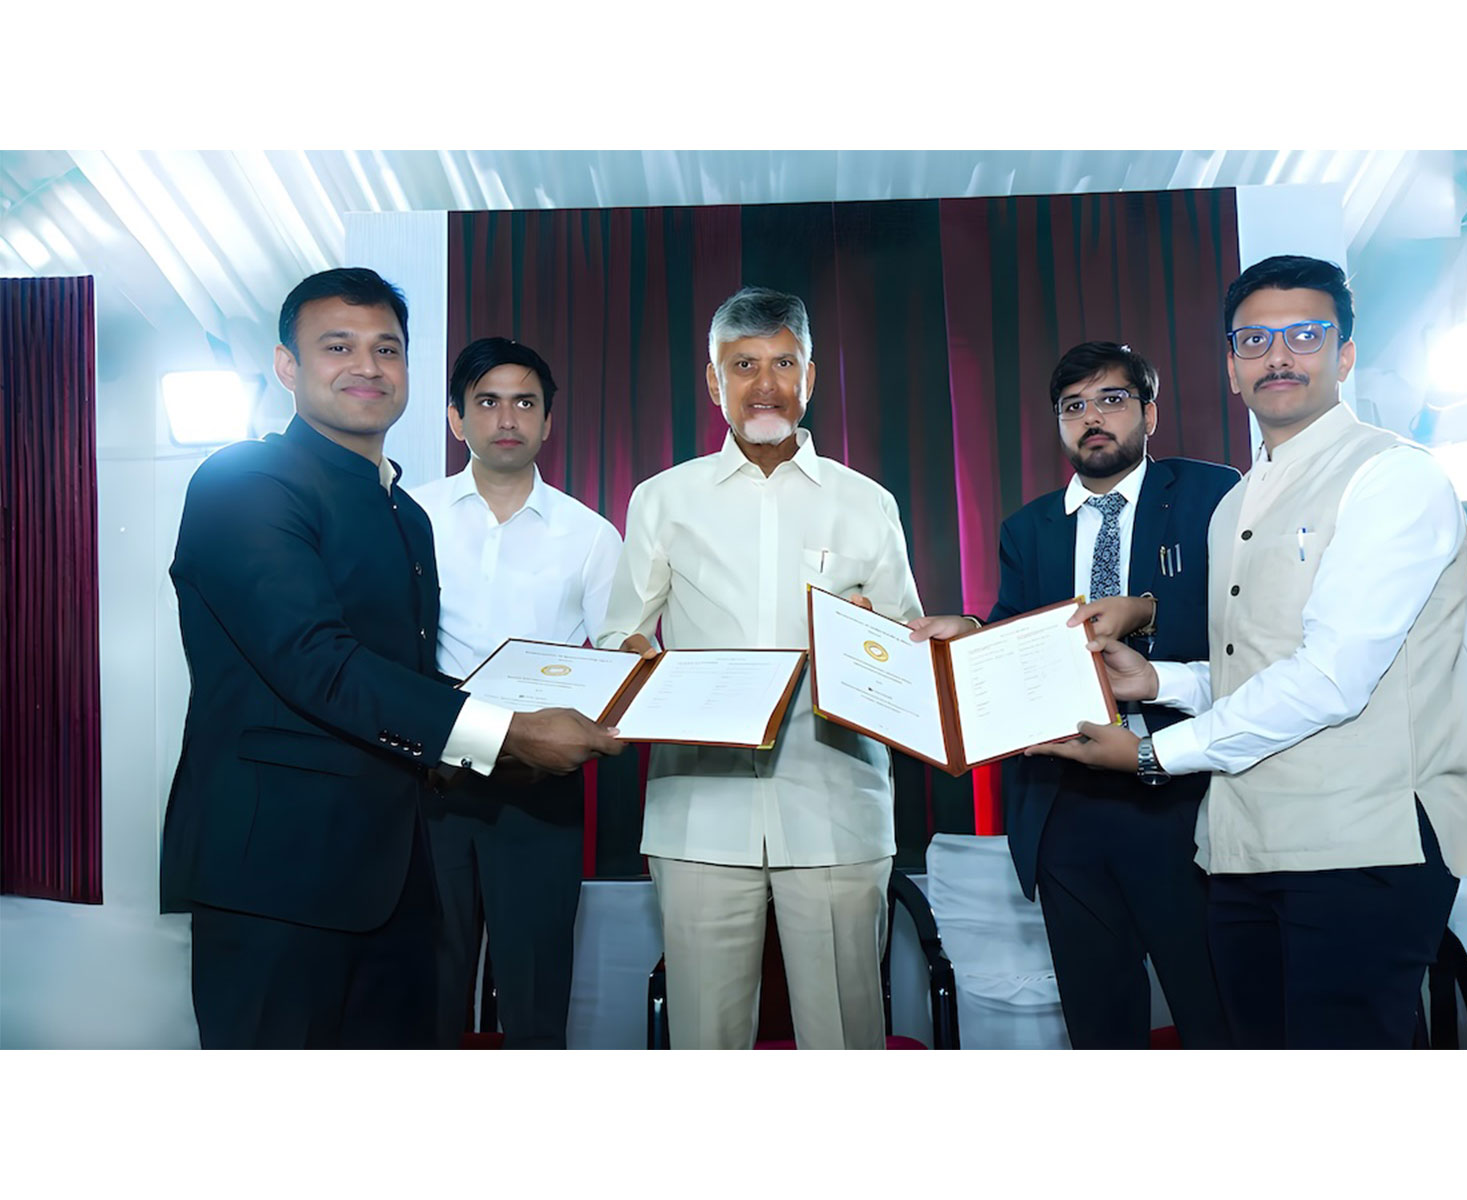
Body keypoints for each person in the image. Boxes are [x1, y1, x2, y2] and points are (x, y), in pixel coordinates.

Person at [161, 268, 622, 1049]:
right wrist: (508, 734)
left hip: (400, 873)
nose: (367, 367)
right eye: (337, 346)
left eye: (387, 349)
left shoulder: (404, 512)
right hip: (278, 873)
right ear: (287, 367)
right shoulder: (243, 482)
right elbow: (318, 663)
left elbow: (402, 676)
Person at [1032, 255, 1467, 1049]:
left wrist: (1148, 756)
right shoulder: (1239, 501)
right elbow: (1258, 668)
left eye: (1305, 335)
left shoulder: (1391, 478)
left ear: (1344, 353)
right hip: (1242, 847)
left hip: (1363, 846)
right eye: (1254, 339)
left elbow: (1334, 679)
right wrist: (1157, 678)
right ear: (1232, 364)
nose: (1279, 356)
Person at [597, 286, 923, 1049]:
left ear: (812, 376)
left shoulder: (867, 503)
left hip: (839, 809)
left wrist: (895, 648)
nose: (766, 384)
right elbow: (621, 639)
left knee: (846, 1039)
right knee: (704, 1039)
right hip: (698, 814)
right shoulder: (662, 500)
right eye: (742, 365)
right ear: (713, 382)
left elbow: (905, 647)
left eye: (784, 362)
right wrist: (642, 670)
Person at [911, 341, 1237, 1049]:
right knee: (1099, 1030)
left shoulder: (1213, 495)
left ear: (1149, 411)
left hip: (1183, 797)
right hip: (1064, 808)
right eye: (1074, 406)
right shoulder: (1027, 530)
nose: (1093, 418)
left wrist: (1144, 608)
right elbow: (1010, 638)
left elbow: (1241, 630)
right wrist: (966, 632)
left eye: (1112, 400)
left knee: (1217, 1020)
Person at [410, 337, 622, 1049]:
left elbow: (617, 657)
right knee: (426, 989)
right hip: (427, 780)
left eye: (525, 402)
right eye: (488, 401)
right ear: (455, 417)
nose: (508, 417)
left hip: (540, 785)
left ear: (547, 423)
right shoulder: (411, 516)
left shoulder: (590, 535)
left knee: (536, 996)